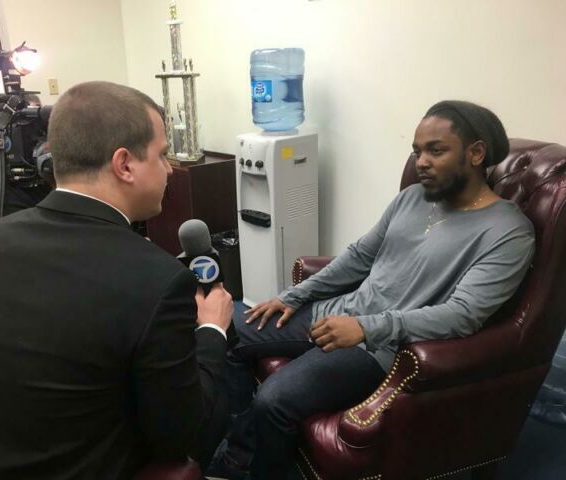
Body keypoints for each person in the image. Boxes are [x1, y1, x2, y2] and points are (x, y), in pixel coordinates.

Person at [211, 100, 536, 479]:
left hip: (380, 349)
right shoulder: (412, 198)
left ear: (476, 153)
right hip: (338, 312)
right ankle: (238, 453)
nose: (421, 163)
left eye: (436, 150)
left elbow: (464, 315)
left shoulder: (507, 232)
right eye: (417, 152)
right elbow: (359, 257)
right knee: (225, 333)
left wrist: (366, 328)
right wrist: (291, 295)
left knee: (274, 401)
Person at [0, 81, 233, 480]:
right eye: (162, 155)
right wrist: (211, 331)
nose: (169, 170)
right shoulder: (158, 279)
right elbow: (186, 437)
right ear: (124, 164)